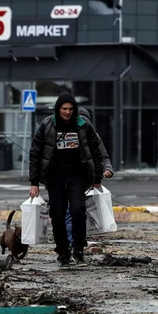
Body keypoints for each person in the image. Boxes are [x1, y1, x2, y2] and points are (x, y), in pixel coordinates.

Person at [29, 93, 107, 268]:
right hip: (54, 178)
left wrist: (97, 178)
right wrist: (34, 182)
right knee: (57, 216)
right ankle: (63, 254)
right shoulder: (47, 125)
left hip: (77, 177)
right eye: (64, 109)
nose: (67, 112)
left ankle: (78, 251)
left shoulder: (83, 125)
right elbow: (35, 153)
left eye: (71, 109)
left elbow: (96, 152)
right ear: (58, 109)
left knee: (78, 211)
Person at [65, 107, 113, 237]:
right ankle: (71, 242)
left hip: (87, 182)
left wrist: (107, 170)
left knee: (77, 212)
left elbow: (103, 157)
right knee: (71, 212)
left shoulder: (94, 137)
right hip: (69, 180)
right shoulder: (66, 134)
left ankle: (75, 242)